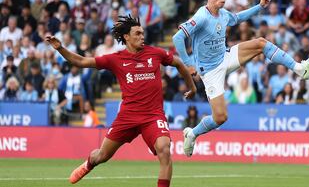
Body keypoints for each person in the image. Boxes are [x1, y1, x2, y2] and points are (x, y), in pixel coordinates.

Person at [45, 15, 196, 187]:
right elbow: (80, 61)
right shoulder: (116, 59)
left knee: (164, 149)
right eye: (137, 33)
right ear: (126, 37)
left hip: (153, 116)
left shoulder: (155, 53)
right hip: (127, 116)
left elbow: (179, 64)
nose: (142, 36)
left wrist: (192, 87)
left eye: (142, 33)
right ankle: (88, 164)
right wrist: (60, 49)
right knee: (102, 156)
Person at [172, 0, 309, 157]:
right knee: (220, 117)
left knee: (261, 43)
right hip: (210, 72)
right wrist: (188, 63)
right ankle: (192, 133)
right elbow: (177, 38)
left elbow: (238, 18)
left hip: (225, 57)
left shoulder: (223, 14)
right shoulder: (201, 16)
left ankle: (299, 68)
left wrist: (259, 7)